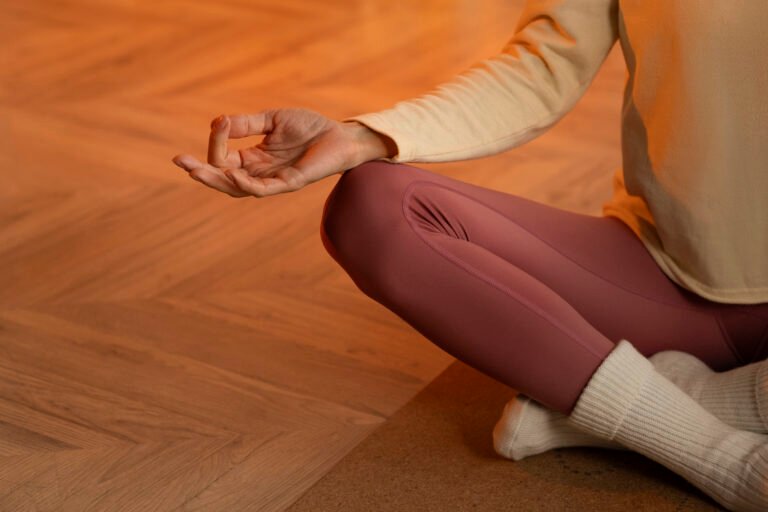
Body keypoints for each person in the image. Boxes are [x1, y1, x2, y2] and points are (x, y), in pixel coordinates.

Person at [171, 1, 768, 510]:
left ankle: (671, 401)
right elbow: (542, 67)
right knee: (375, 206)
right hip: (672, 276)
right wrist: (359, 137)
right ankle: (718, 449)